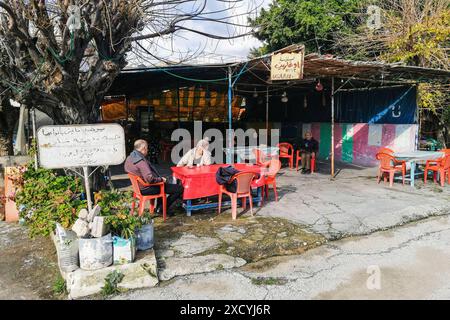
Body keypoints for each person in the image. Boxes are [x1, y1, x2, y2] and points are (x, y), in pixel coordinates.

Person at [124, 139, 183, 215]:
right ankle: (162, 209)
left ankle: (159, 207)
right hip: (146, 188)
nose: (148, 150)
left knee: (163, 184)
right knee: (179, 189)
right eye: (147, 148)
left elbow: (126, 168)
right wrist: (161, 179)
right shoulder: (141, 162)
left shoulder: (130, 157)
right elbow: (150, 179)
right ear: (144, 148)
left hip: (138, 187)